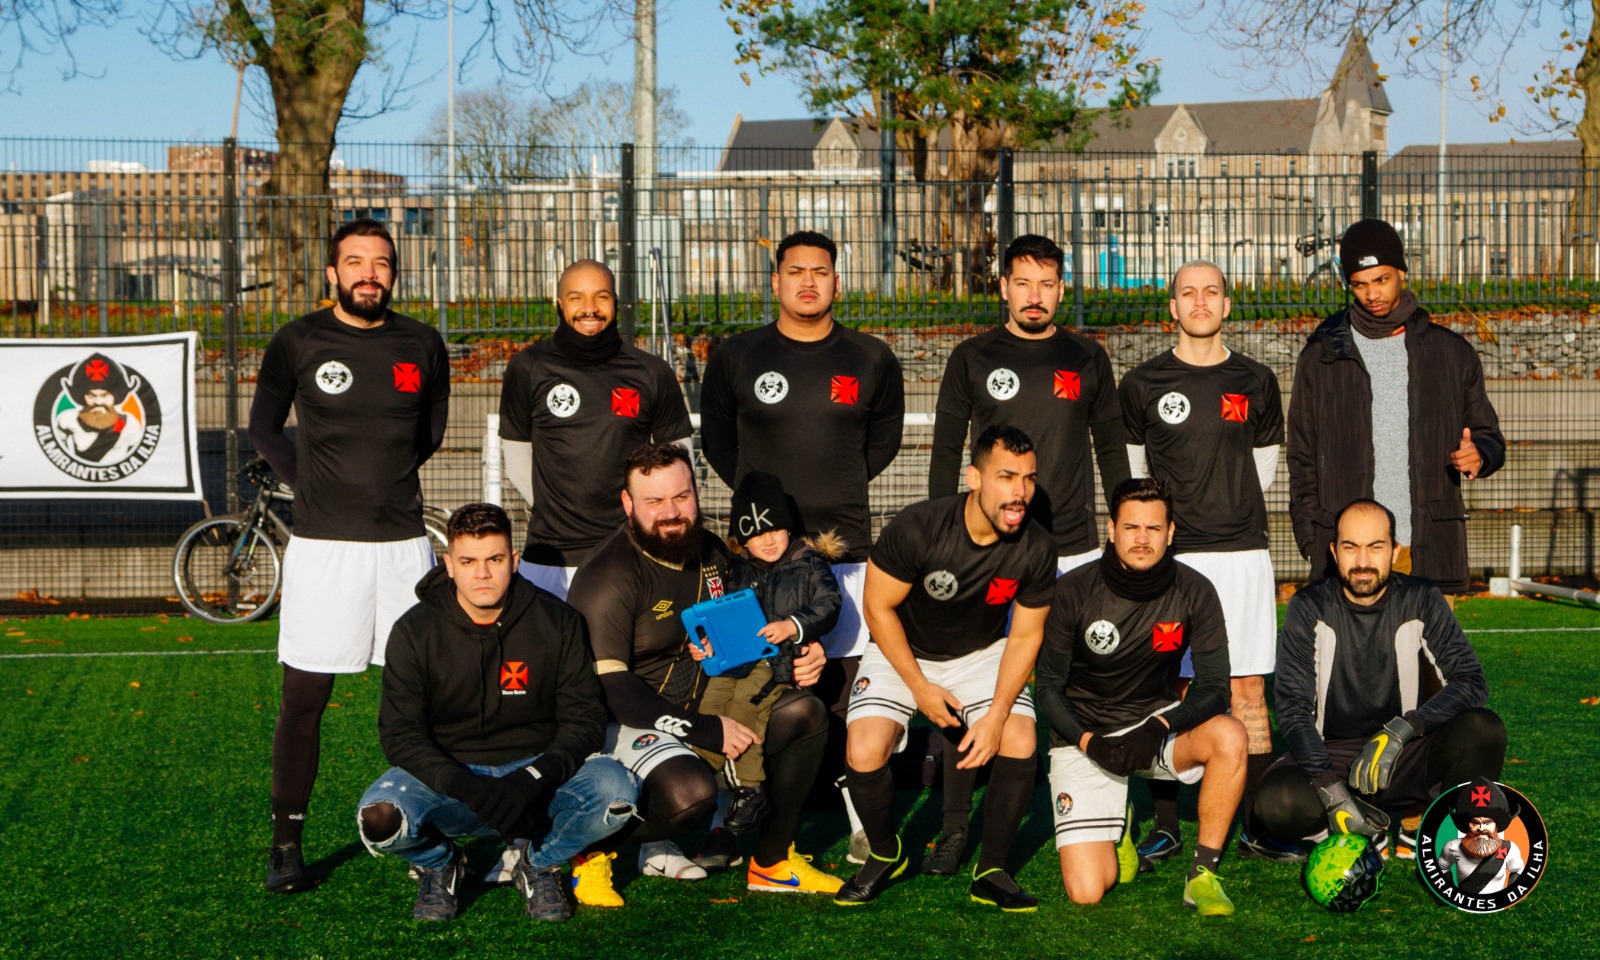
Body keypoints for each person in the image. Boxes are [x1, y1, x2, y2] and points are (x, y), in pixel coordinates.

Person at [249, 217, 450, 893]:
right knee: (304, 698)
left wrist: (378, 481)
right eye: (355, 261)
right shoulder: (298, 339)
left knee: (426, 698)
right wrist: (311, 482)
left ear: (395, 272)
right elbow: (262, 426)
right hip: (322, 550)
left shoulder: (422, 344)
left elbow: (428, 434)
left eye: (382, 262)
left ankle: (434, 837)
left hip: (403, 548)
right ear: (332, 272)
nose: (369, 272)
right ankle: (286, 844)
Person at [924, 233, 1129, 874]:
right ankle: (957, 827)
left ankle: (1101, 814)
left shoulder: (1088, 357)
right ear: (1004, 287)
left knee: (1090, 682)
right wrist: (944, 536)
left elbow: (1113, 449)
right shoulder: (973, 356)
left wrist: (1124, 528)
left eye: (1046, 283)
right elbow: (944, 450)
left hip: (1072, 549)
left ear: (1061, 289)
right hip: (992, 553)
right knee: (974, 679)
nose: (1034, 295)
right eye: (1022, 282)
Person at [565, 443, 842, 898]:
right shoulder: (606, 578)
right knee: (690, 798)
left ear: (697, 491)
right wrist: (703, 729)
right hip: (629, 722)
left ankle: (771, 862)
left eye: (681, 496)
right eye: (654, 502)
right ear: (628, 504)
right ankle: (587, 845)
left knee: (805, 713)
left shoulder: (713, 551)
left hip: (713, 698)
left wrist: (808, 647)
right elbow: (612, 691)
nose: (671, 512)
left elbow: (769, 610)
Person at [355, 503, 635, 922]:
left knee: (618, 796)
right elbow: (399, 734)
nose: (482, 574)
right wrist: (466, 785)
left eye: (495, 559)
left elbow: (585, 721)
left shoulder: (557, 621)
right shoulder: (415, 630)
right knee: (378, 820)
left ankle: (538, 864)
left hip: (537, 773)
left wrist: (531, 779)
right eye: (468, 561)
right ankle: (441, 864)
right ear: (448, 564)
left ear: (514, 561)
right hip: (451, 776)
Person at [836, 425, 1056, 912]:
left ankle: (992, 870)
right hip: (904, 652)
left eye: (1028, 478)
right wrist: (919, 687)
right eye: (1006, 476)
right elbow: (878, 609)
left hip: (980, 653)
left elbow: (1024, 636)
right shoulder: (918, 527)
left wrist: (996, 717)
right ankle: (886, 852)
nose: (1020, 492)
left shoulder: (1037, 546)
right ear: (974, 477)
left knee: (1019, 737)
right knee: (865, 746)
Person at [699, 230, 905, 740]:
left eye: (819, 272)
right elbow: (720, 446)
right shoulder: (736, 357)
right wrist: (766, 514)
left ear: (837, 282)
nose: (807, 282)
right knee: (759, 678)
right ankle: (759, 791)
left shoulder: (871, 358)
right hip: (760, 556)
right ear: (775, 281)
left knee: (844, 689)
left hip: (845, 546)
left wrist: (837, 482)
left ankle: (845, 792)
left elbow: (883, 443)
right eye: (795, 271)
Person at [1117, 259, 1282, 864]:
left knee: (1245, 687)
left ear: (1227, 304)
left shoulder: (1258, 380)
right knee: (1170, 684)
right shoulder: (1141, 384)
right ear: (1173, 308)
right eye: (1188, 292)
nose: (1200, 301)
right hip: (1175, 562)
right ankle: (1166, 824)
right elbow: (1135, 474)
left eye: (1211, 291)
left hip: (1241, 555)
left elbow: (1264, 467)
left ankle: (1259, 821)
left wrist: (1230, 511)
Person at [1035, 477, 1247, 917]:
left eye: (1153, 529)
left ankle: (1202, 874)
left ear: (1170, 533)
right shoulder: (1073, 590)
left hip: (1154, 726)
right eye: (1131, 528)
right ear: (1111, 529)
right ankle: (1122, 827)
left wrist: (1160, 726)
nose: (1142, 539)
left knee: (1230, 735)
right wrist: (1089, 741)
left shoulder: (1196, 589)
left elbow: (1214, 686)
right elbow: (1048, 689)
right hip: (1085, 734)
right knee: (1088, 891)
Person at [1251, 499, 1506, 859]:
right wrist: (1330, 789)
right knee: (1278, 803)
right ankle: (1360, 826)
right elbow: (1292, 708)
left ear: (1394, 551)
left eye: (1376, 546)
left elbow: (1470, 681)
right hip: (1333, 754)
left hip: (1403, 750)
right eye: (1350, 547)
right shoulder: (1308, 606)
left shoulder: (1422, 598)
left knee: (1484, 729)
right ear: (1334, 552)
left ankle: (1429, 832)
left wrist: (1404, 728)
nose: (1363, 561)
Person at [1287, 217, 1505, 593]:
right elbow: (1302, 455)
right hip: (1349, 554)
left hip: (1425, 549)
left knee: (1430, 654)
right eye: (1360, 284)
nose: (1372, 294)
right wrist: (1312, 538)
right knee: (1350, 655)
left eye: (1382, 279)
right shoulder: (1322, 354)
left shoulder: (1451, 353)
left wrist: (1479, 455)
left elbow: (1489, 437)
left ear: (1402, 272)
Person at [499, 259, 693, 598]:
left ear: (616, 302)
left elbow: (679, 460)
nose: (590, 308)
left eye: (601, 297)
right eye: (576, 298)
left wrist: (643, 512)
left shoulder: (651, 372)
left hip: (630, 551)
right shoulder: (528, 367)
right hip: (550, 555)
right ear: (559, 303)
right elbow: (515, 457)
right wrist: (557, 507)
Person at [689, 471, 843, 844]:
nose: (768, 539)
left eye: (774, 529)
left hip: (777, 661)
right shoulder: (737, 569)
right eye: (756, 534)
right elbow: (720, 616)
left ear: (788, 527)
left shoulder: (808, 564)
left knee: (746, 707)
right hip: (735, 660)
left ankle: (750, 790)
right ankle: (709, 776)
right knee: (709, 707)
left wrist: (793, 626)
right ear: (742, 539)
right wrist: (706, 645)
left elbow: (829, 604)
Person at [1434, 777, 1524, 895]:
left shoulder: (1511, 849)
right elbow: (1441, 868)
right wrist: (1448, 896)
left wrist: (1508, 899)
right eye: (1475, 823)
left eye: (1487, 823)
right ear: (1467, 825)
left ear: (1497, 825)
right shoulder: (1452, 847)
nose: (1481, 828)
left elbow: (1518, 871)